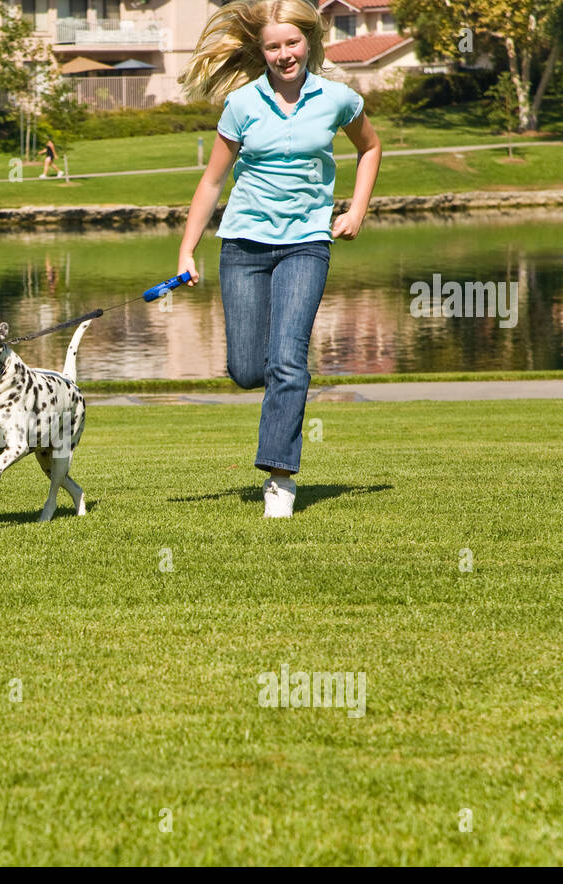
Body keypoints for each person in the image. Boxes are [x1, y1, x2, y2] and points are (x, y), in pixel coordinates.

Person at [175, 0, 381, 518]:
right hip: (243, 244)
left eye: (292, 43)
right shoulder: (242, 104)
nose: (284, 54)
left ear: (308, 40)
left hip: (308, 241)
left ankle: (279, 479)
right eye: (273, 46)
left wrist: (357, 209)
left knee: (288, 359)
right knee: (248, 369)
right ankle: (280, 392)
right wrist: (186, 249)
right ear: (260, 50)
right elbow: (212, 181)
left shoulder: (337, 98)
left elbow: (371, 148)